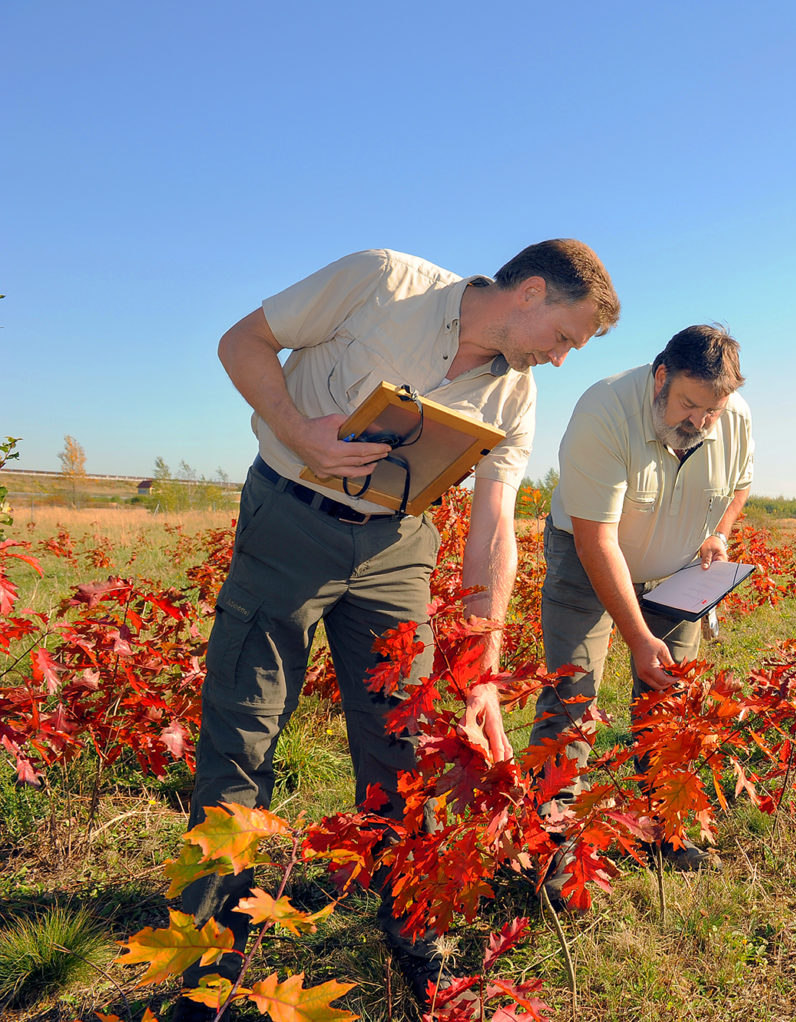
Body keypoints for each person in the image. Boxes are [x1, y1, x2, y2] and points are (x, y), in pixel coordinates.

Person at [173, 242, 618, 1020]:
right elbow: (239, 342)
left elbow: (493, 529)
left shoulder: (512, 396)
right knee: (239, 742)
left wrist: (480, 669)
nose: (559, 357)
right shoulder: (383, 281)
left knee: (405, 748)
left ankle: (415, 935)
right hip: (287, 521)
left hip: (396, 552)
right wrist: (298, 428)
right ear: (532, 292)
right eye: (565, 337)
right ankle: (209, 960)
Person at [531, 323, 752, 886]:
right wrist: (636, 634)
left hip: (679, 573)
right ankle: (557, 843)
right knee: (572, 696)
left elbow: (741, 483)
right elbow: (596, 539)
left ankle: (666, 827)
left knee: (668, 698)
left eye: (712, 413)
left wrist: (719, 532)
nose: (699, 423)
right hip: (590, 562)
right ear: (660, 377)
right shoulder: (604, 410)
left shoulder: (734, 418)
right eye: (688, 405)